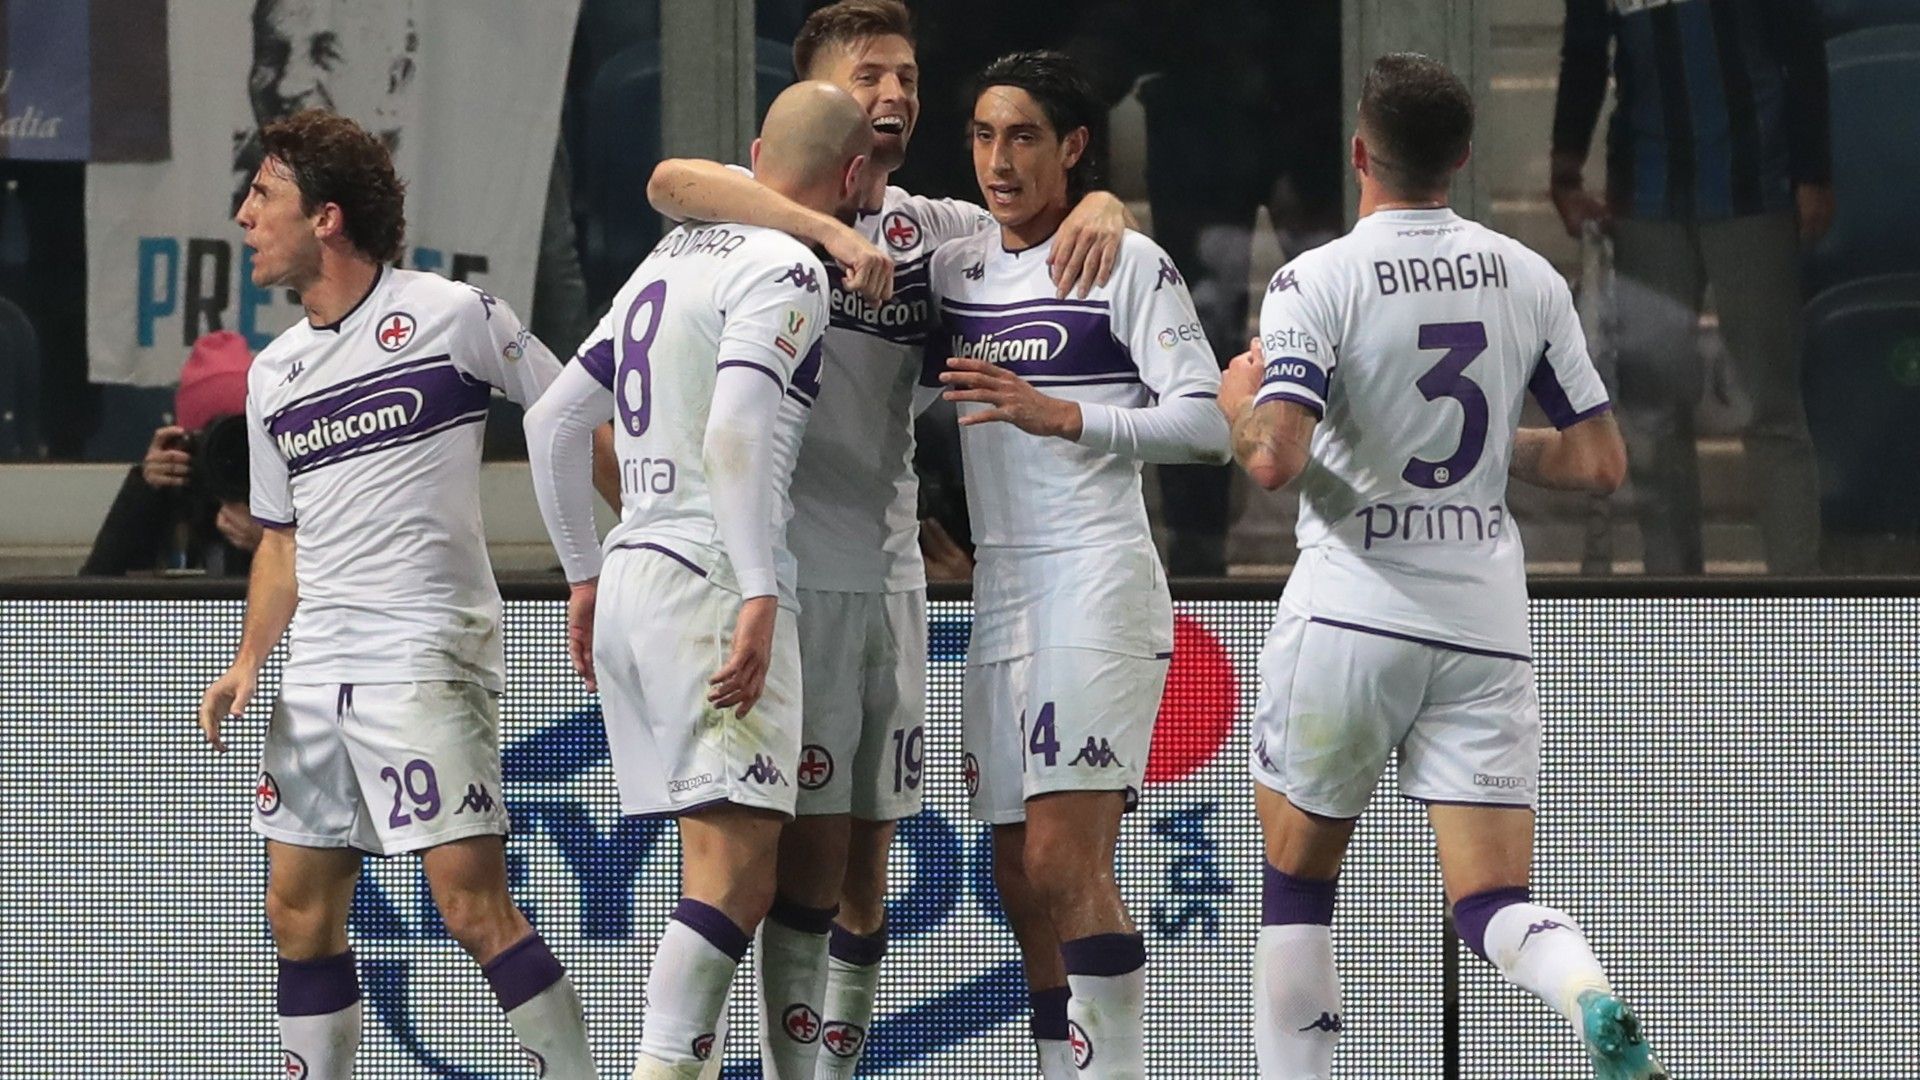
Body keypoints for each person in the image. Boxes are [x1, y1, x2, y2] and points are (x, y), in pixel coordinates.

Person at [642, 4, 1132, 1075]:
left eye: (908, 78)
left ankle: (837, 1065)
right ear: (813, 97)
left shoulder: (931, 230)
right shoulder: (754, 216)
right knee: (802, 867)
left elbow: (1040, 215)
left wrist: (1101, 195)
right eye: (871, 77)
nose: (897, 97)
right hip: (788, 578)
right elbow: (670, 180)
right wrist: (821, 229)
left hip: (894, 576)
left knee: (871, 859)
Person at [1220, 54, 1665, 1079]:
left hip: (1352, 615)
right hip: (1483, 627)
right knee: (1491, 902)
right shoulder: (1529, 276)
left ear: (1359, 151)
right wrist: (1484, 454)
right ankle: (1586, 991)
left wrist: (1237, 395)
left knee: (1296, 886)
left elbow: (1275, 458)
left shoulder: (1315, 278)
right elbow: (1600, 462)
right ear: (1463, 158)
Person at [195, 109, 594, 1080]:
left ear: (326, 217)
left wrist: (626, 555)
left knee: (470, 908)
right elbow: (280, 541)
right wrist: (251, 659)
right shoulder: (274, 375)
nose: (244, 214)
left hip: (425, 655)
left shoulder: (455, 314)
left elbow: (577, 418)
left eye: (263, 195)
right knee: (294, 912)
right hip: (320, 671)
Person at [524, 81, 871, 1080]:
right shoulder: (788, 267)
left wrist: (584, 577)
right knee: (733, 882)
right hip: (713, 580)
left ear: (758, 152)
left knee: (714, 871)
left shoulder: (668, 257)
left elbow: (552, 422)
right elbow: (736, 431)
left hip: (634, 568)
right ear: (851, 178)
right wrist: (758, 586)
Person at [926, 50, 1230, 1080]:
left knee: (1064, 858)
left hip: (1095, 575)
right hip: (1000, 589)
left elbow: (1205, 426)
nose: (997, 160)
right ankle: (1065, 1064)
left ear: (1072, 147)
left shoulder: (1123, 262)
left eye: (1021, 137)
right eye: (981, 135)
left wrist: (1067, 417)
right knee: (1017, 867)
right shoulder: (956, 263)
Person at [1551, 0, 1830, 574]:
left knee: (1772, 408)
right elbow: (1583, 49)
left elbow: (1802, 44)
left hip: (1755, 190)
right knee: (1656, 414)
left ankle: (1802, 601)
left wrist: (1813, 171)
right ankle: (1674, 597)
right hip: (1647, 199)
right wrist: (1565, 166)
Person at [82, 331, 264, 576]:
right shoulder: (173, 493)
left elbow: (327, 602)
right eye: (215, 439)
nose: (230, 455)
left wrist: (274, 545)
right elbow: (90, 601)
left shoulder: (290, 494)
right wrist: (144, 491)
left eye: (243, 438)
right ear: (186, 441)